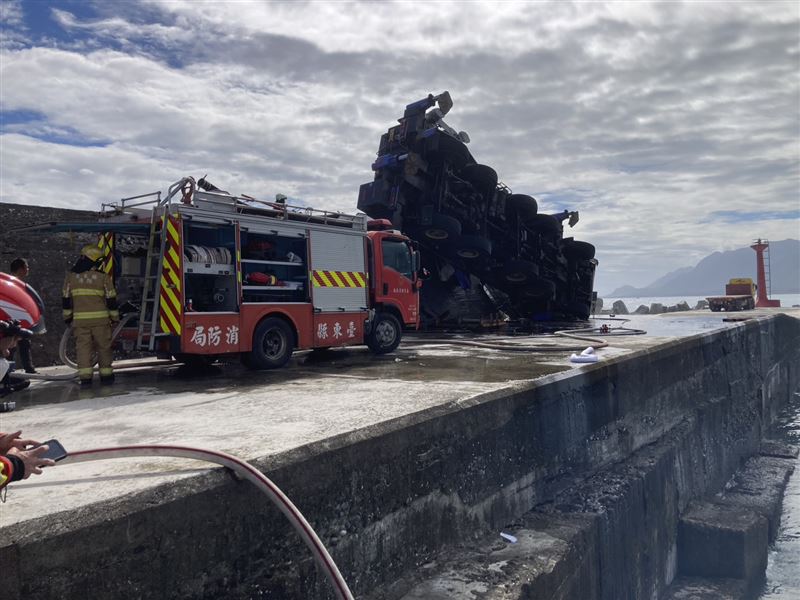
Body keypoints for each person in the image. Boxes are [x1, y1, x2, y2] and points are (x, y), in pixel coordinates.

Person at [63, 245, 119, 385]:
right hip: (101, 321)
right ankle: (106, 376)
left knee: (83, 349)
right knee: (103, 347)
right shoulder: (103, 277)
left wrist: (68, 318)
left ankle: (85, 378)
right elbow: (111, 300)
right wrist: (115, 318)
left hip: (80, 322)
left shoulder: (71, 277)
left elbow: (65, 299)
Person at [8, 258, 37, 374]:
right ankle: (10, 370)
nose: (28, 269)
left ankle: (28, 368)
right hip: (12, 318)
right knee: (11, 345)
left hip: (21, 318)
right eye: (26, 267)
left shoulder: (19, 284)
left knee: (24, 343)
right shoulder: (11, 283)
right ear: (20, 269)